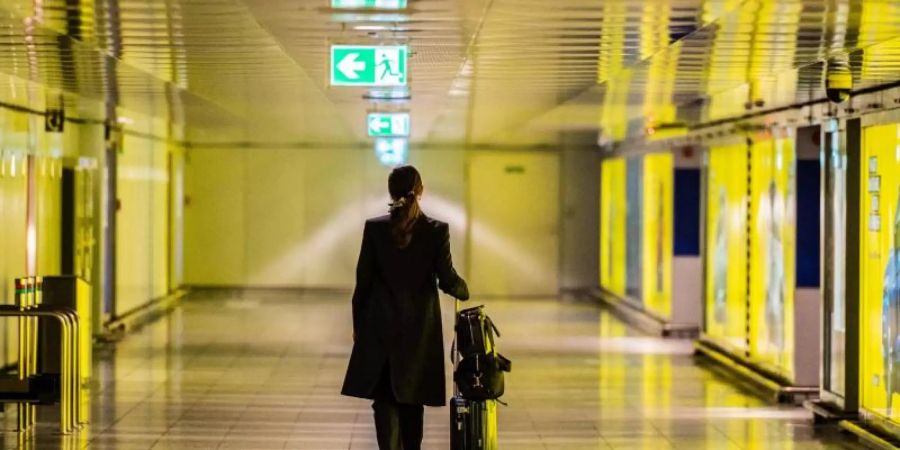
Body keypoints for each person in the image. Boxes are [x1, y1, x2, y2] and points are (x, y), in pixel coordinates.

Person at [341, 165, 469, 450]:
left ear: (391, 192)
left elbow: (362, 284)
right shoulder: (436, 231)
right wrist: (463, 289)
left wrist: (358, 327)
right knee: (413, 401)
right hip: (419, 332)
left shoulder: (374, 230)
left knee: (385, 398)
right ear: (420, 192)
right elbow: (448, 280)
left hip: (379, 328)